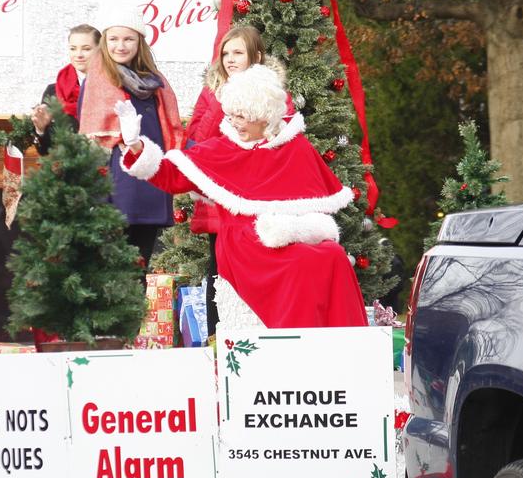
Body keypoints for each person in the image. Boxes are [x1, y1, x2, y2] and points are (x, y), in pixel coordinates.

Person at [115, 64, 367, 329]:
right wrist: (135, 145)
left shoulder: (295, 147)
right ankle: (293, 342)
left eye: (242, 117)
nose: (233, 122)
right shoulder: (221, 149)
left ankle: (342, 342)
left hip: (293, 232)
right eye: (231, 114)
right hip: (245, 243)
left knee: (334, 256)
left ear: (264, 116)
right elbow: (171, 175)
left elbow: (315, 205)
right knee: (299, 264)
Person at [184, 26, 291, 337]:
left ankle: (261, 333)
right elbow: (196, 141)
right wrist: (221, 99)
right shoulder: (211, 92)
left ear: (255, 57)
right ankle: (220, 339)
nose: (230, 60)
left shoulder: (272, 92)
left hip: (261, 196)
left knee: (260, 268)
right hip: (221, 196)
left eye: (238, 53)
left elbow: (281, 139)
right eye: (226, 53)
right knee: (220, 271)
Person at [77, 5, 183, 269]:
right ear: (104, 42)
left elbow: (167, 130)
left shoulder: (156, 82)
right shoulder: (97, 82)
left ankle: (136, 312)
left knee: (139, 267)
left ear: (140, 42)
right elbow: (90, 140)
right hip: (115, 189)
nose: (120, 46)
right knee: (112, 271)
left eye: (128, 39)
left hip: (151, 183)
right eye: (113, 39)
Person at [32, 24, 101, 151]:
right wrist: (40, 130)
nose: (78, 55)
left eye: (86, 49)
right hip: (67, 168)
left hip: (106, 167)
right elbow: (44, 150)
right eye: (73, 48)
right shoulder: (53, 91)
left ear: (100, 50)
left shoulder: (113, 87)